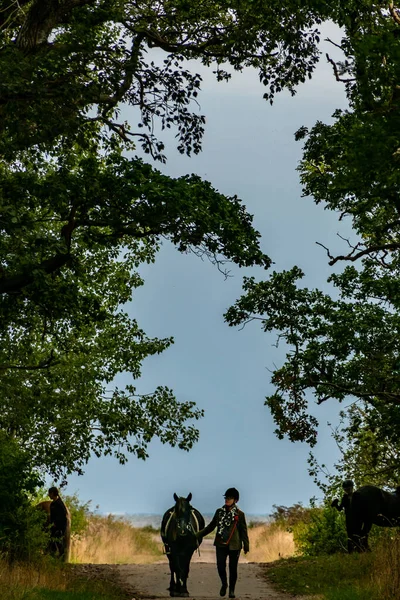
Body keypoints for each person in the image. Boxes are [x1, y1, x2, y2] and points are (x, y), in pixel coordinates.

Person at [196, 487, 249, 599]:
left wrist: (246, 545)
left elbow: (243, 531)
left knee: (233, 568)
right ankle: (224, 584)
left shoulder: (240, 514)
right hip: (220, 543)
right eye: (226, 498)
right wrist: (198, 535)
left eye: (229, 498)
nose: (227, 500)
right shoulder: (219, 512)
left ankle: (232, 590)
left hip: (235, 545)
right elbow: (211, 526)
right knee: (220, 566)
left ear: (235, 500)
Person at [331, 479, 355, 552]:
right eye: (346, 489)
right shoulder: (344, 498)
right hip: (349, 518)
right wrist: (335, 504)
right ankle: (350, 551)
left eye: (349, 489)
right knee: (350, 534)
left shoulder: (357, 495)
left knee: (359, 533)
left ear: (352, 488)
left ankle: (360, 549)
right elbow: (340, 508)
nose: (347, 490)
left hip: (358, 517)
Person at [48, 486, 68, 559]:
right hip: (53, 527)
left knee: (59, 543)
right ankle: (53, 558)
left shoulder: (59, 504)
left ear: (53, 493)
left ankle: (61, 558)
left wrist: (60, 528)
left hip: (59, 528)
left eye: (49, 493)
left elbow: (63, 516)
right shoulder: (52, 504)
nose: (48, 495)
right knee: (52, 542)